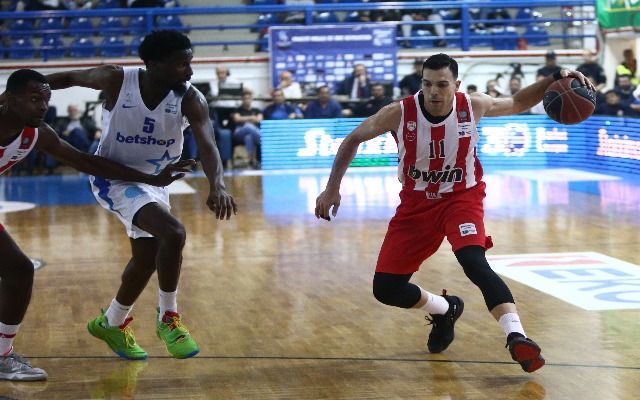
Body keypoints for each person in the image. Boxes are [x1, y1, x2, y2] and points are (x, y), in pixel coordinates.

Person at [315, 53, 594, 373]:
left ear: (456, 84)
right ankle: (445, 308)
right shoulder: (399, 112)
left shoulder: (473, 105)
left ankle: (517, 335)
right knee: (386, 289)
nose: (434, 91)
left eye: (442, 84)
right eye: (427, 84)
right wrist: (332, 188)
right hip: (416, 204)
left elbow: (517, 102)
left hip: (462, 198)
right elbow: (353, 139)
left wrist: (555, 77)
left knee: (473, 261)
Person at [45, 29, 237, 361]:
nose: (190, 72)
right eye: (182, 65)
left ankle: (111, 322)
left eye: (190, 63)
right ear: (155, 64)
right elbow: (67, 77)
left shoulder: (191, 98)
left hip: (156, 182)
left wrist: (217, 184)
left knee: (147, 259)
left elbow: (208, 145)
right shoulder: (116, 80)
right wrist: (13, 95)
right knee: (173, 233)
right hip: (114, 178)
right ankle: (168, 317)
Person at [0, 69, 191, 380]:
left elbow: (87, 162)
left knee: (20, 271)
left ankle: (2, 354)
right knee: (18, 270)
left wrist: (151, 179)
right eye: (34, 99)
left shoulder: (38, 134)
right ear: (8, 99)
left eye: (46, 100)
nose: (43, 106)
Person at [231, 90, 262, 168]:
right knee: (248, 126)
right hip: (239, 132)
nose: (247, 100)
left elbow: (259, 120)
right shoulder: (238, 110)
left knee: (248, 137)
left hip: (252, 134)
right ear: (242, 99)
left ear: (251, 99)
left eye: (248, 98)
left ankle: (251, 160)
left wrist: (244, 119)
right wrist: (251, 117)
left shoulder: (257, 110)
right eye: (245, 98)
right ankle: (263, 138)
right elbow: (237, 119)